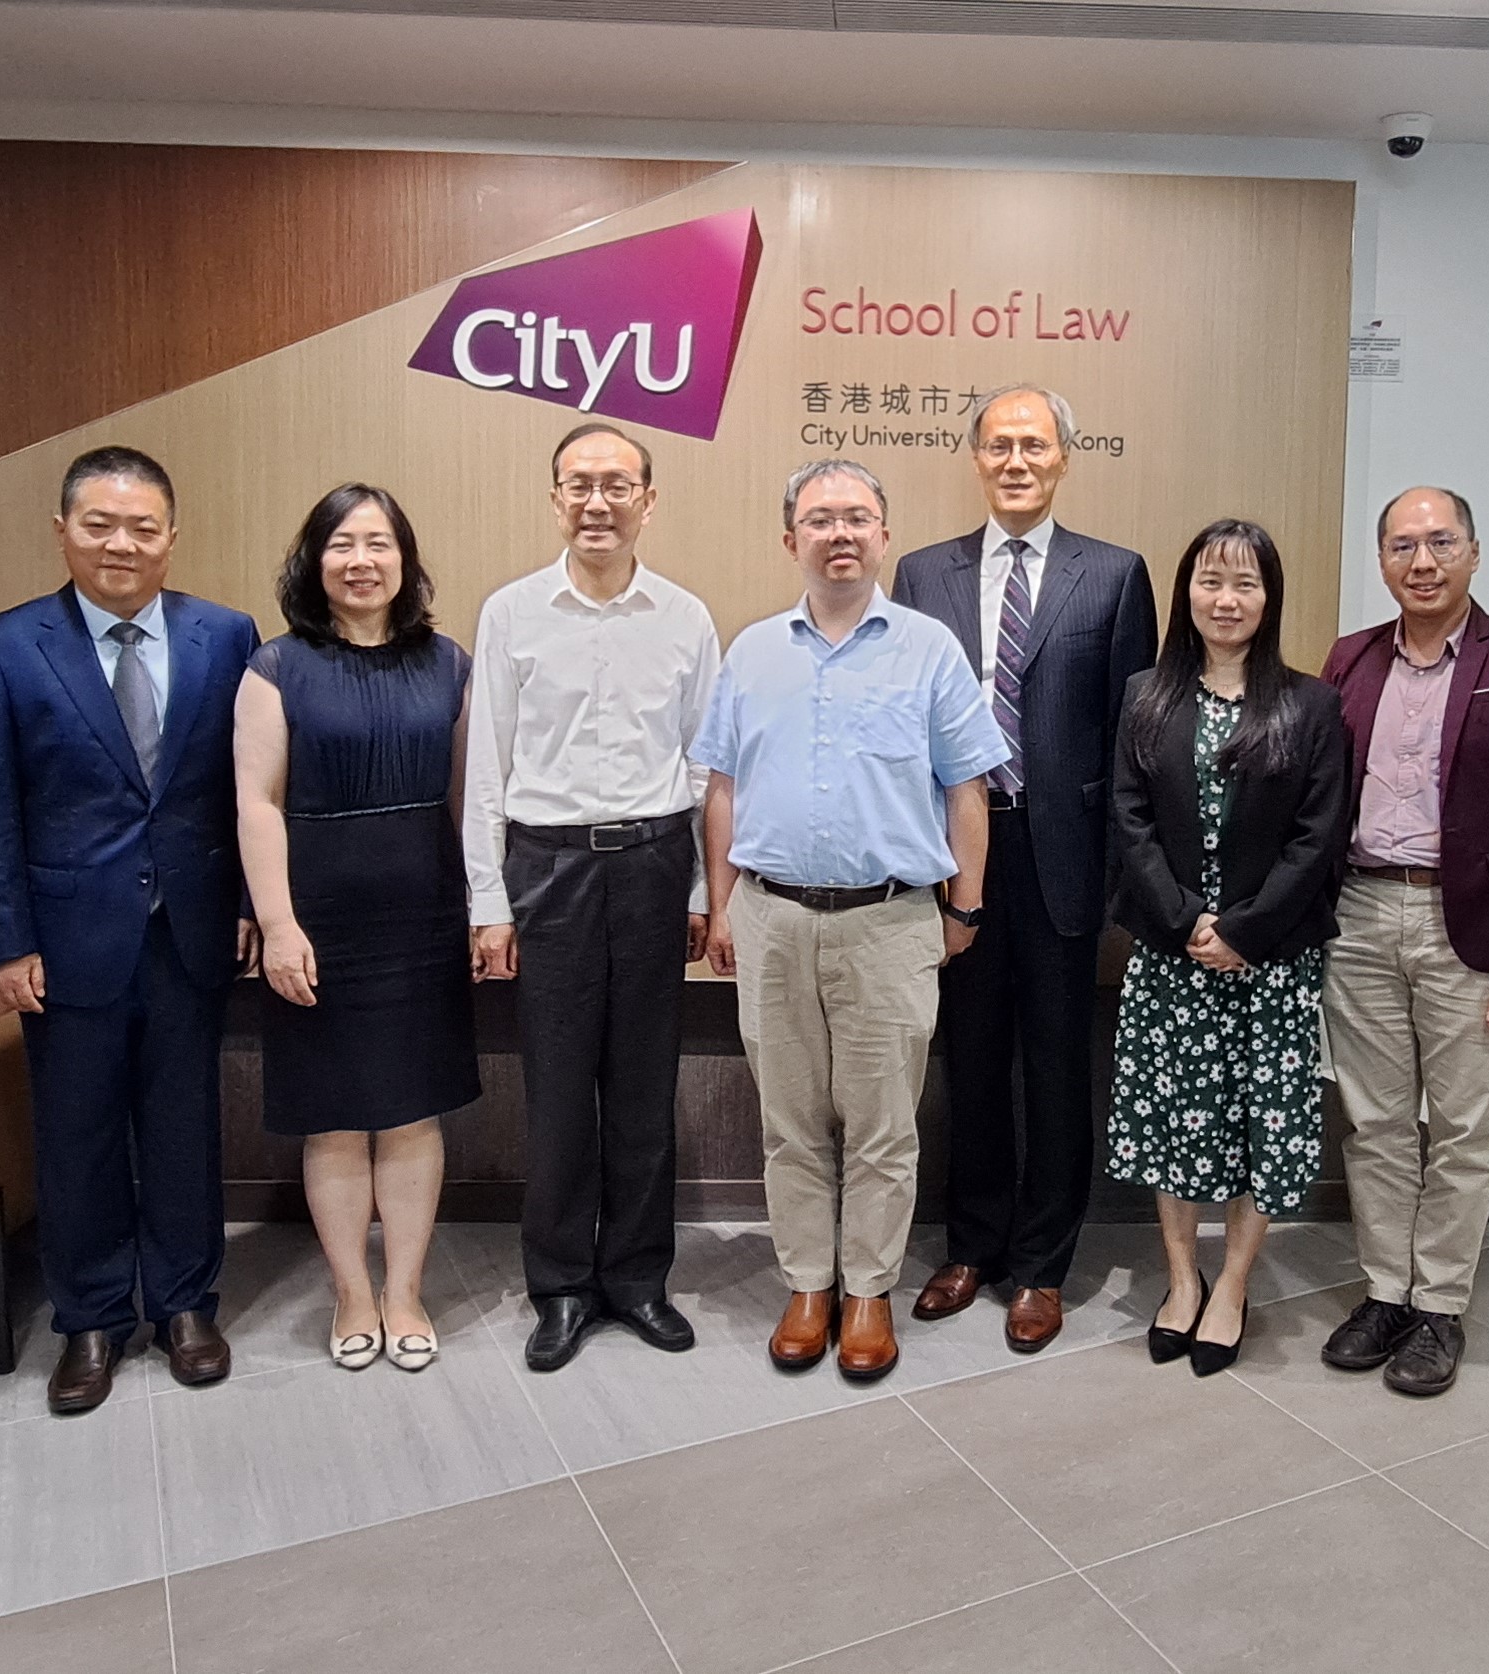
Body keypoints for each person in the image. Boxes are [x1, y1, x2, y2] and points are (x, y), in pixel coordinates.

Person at [0, 446, 259, 1415]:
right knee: (76, 1134)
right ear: (63, 532)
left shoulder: (225, 635)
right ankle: (88, 1318)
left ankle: (182, 1305)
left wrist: (250, 904)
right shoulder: (0, 648)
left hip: (191, 929)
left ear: (171, 536)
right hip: (63, 939)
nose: (121, 543)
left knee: (182, 1127)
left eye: (142, 526)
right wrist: (1, 941)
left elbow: (247, 793)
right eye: (100, 524)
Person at [695, 460, 1008, 1383]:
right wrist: (719, 907)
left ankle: (866, 1288)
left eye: (858, 518)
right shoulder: (751, 652)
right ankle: (807, 1283)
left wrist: (965, 907)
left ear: (882, 536)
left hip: (889, 923)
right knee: (790, 1122)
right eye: (820, 518)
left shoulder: (928, 649)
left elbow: (968, 788)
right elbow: (720, 789)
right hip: (771, 920)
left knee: (881, 1123)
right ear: (788, 536)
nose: (840, 534)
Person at [891, 385, 1157, 1353]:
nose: (1014, 459)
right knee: (965, 1066)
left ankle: (1042, 1265)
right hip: (954, 860)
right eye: (998, 444)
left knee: (1053, 1070)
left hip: (1061, 867)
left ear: (1060, 460)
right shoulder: (921, 574)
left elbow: (1135, 740)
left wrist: (1125, 878)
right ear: (974, 457)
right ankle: (972, 1246)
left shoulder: (1115, 575)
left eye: (1032, 445)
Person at [466, 423, 722, 1372]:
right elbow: (486, 769)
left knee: (646, 1085)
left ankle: (638, 1280)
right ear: (555, 498)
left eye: (618, 485)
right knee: (562, 1089)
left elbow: (705, 769)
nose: (598, 502)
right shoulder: (512, 614)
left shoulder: (685, 617)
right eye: (579, 484)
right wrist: (487, 901)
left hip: (656, 864)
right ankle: (563, 1285)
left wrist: (703, 885)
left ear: (647, 501)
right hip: (550, 869)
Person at [1318, 486, 1489, 1398]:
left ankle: (1438, 1306)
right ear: (1381, 559)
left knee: (1466, 1128)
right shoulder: (1348, 661)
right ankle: (1385, 1291)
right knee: (1376, 1121)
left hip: (1470, 928)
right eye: (1401, 546)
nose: (1420, 562)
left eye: (1439, 543)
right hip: (1358, 915)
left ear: (1473, 551)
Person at [237, 483, 481, 1373]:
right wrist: (276, 924)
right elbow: (256, 805)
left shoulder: (449, 662)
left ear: (405, 561)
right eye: (342, 543)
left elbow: (468, 800)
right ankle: (350, 1291)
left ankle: (406, 1289)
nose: (361, 560)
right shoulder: (275, 666)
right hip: (319, 914)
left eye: (379, 543)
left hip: (423, 906)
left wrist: (476, 908)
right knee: (335, 1118)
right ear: (314, 560)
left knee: (412, 1112)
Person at [1106, 520, 1350, 1377]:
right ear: (1187, 592)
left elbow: (1318, 839)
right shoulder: (1146, 695)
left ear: (1269, 599)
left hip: (1272, 963)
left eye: (1245, 584)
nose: (1226, 599)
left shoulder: (1309, 705)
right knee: (1175, 1125)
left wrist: (1245, 932)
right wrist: (1182, 925)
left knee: (1258, 1127)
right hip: (1171, 959)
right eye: (1211, 580)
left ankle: (1235, 1284)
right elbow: (1128, 823)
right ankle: (1180, 1280)